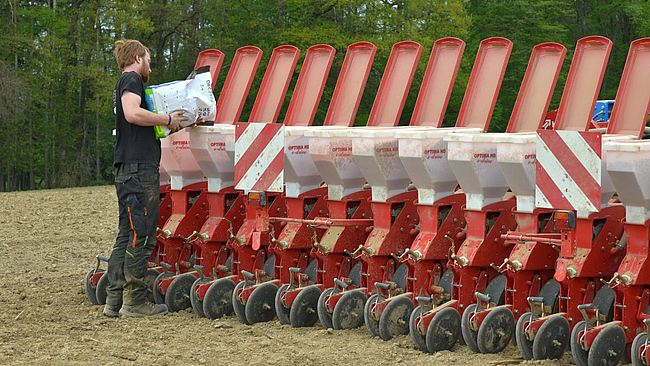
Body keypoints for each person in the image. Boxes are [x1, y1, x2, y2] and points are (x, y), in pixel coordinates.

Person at [104, 39, 188, 317]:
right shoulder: (132, 79)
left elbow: (137, 120)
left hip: (127, 170)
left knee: (126, 234)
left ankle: (113, 301)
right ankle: (135, 302)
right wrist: (165, 119)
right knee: (142, 236)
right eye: (149, 59)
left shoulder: (122, 82)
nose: (150, 65)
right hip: (140, 171)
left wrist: (167, 124)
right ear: (138, 57)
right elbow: (132, 113)